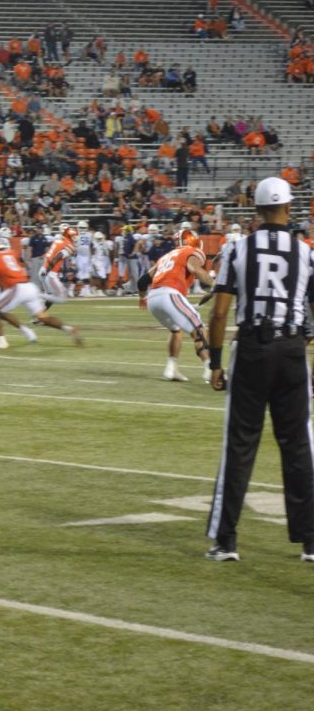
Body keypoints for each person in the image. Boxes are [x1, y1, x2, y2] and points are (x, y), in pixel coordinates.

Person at [204, 177, 314, 563]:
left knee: (240, 444)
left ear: (256, 210)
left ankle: (225, 541)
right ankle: (310, 540)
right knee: (298, 444)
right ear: (288, 208)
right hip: (291, 349)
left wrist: (215, 363)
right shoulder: (306, 253)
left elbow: (219, 313)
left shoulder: (236, 250)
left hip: (252, 348)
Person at [138, 229, 213, 382]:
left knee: (176, 330)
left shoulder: (166, 256)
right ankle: (210, 368)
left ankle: (171, 370)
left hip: (154, 299)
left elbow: (142, 281)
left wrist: (142, 298)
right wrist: (214, 283)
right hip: (169, 294)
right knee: (199, 329)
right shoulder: (191, 252)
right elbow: (195, 269)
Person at [0, 237, 82, 349]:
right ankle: (69, 329)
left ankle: (2, 341)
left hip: (17, 288)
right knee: (43, 318)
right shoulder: (12, 253)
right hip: (29, 287)